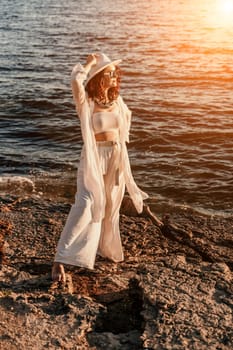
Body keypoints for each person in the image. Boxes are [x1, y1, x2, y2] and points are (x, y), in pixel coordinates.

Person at [52, 52, 148, 283]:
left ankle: (105, 250)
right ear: (98, 78)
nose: (115, 76)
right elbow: (76, 80)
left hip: (116, 154)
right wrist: (89, 64)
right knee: (85, 204)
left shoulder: (118, 101)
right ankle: (60, 260)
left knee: (110, 205)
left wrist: (121, 162)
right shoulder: (86, 101)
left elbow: (123, 132)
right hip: (95, 156)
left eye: (116, 73)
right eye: (109, 73)